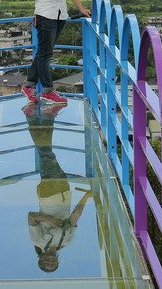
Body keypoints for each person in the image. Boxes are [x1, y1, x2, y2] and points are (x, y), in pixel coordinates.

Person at [21, 102, 92, 273]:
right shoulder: (66, 242)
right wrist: (86, 197)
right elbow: (74, 219)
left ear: (42, 258)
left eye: (47, 264)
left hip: (48, 195)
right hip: (64, 192)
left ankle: (40, 115)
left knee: (46, 153)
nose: (51, 262)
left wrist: (50, 221)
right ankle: (37, 115)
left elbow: (31, 217)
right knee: (45, 151)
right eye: (54, 265)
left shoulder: (38, 241)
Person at [22, 0, 90, 105]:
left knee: (44, 53)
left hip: (60, 14)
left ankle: (28, 86)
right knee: (45, 54)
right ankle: (47, 91)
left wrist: (81, 8)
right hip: (45, 14)